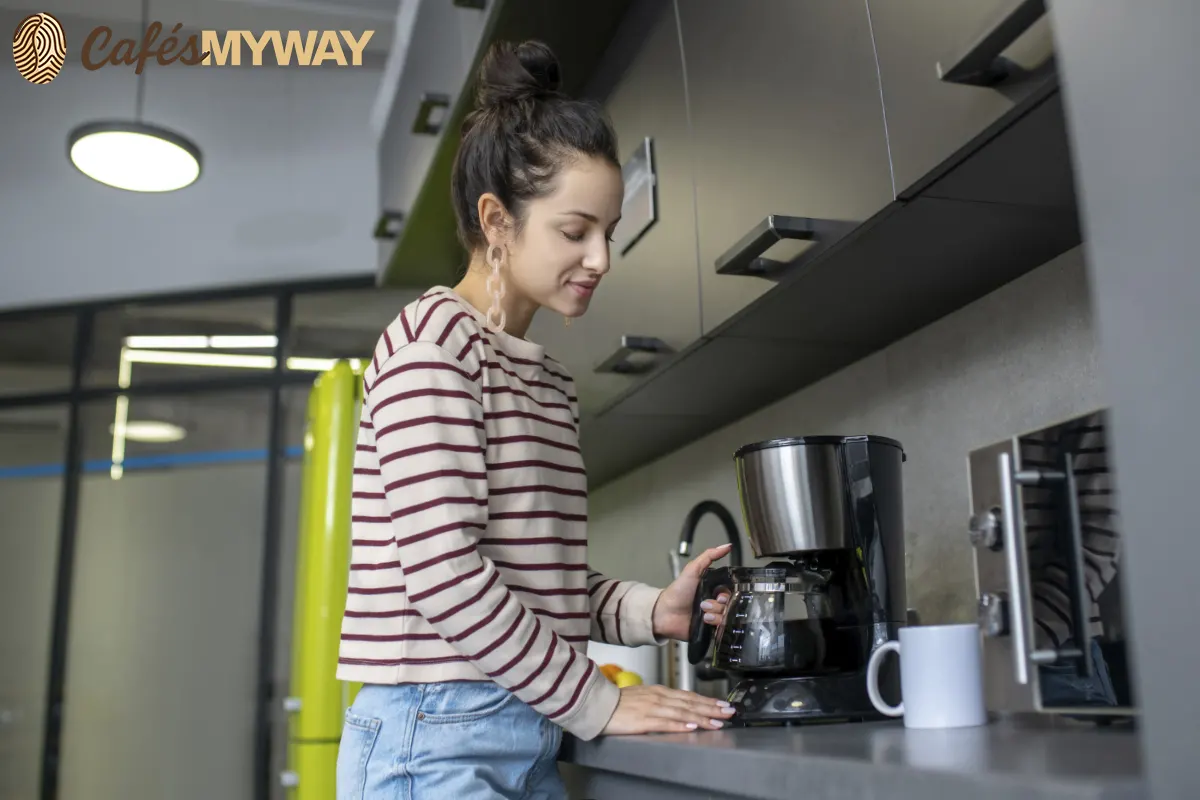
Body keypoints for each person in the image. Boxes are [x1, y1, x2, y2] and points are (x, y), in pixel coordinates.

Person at [334, 39, 736, 800]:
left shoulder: (544, 378)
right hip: (433, 738)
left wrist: (654, 610)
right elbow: (447, 577)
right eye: (576, 231)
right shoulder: (432, 348)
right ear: (497, 220)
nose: (601, 258)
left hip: (524, 731)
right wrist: (599, 702)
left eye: (609, 232)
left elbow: (536, 582)